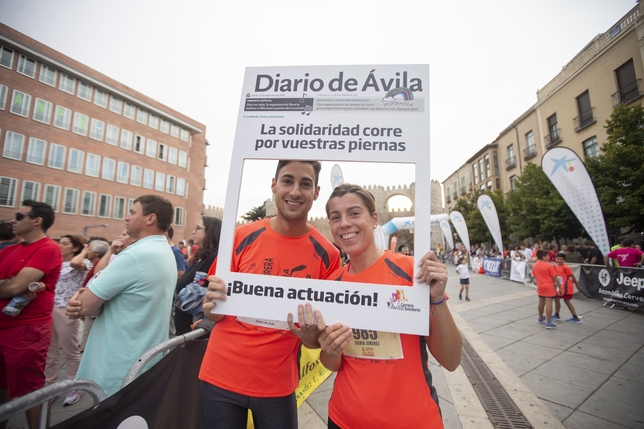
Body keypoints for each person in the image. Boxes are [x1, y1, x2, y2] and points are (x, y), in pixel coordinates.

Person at [201, 160, 341, 429]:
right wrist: (209, 306)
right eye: (287, 181)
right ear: (274, 185)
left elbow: (316, 341)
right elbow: (213, 312)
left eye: (305, 184)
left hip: (277, 385)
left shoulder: (329, 256)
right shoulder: (240, 236)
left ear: (317, 192)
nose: (295, 191)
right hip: (220, 377)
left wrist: (312, 336)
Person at [317, 184, 462, 429]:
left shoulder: (412, 272)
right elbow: (333, 363)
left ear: (374, 219)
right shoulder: (333, 285)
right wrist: (329, 350)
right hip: (344, 420)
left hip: (413, 421)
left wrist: (436, 298)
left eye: (354, 213)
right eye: (335, 217)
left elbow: (451, 360)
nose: (344, 223)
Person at [65, 195, 176, 397]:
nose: (126, 217)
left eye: (133, 212)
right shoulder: (162, 250)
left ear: (150, 218)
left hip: (119, 364)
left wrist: (81, 298)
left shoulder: (135, 255)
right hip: (142, 359)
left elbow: (85, 305)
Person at [0, 201, 62, 429]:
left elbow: (16, 287)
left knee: (30, 391)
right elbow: (14, 285)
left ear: (37, 221)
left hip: (26, 330)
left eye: (19, 215)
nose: (13, 220)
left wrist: (14, 285)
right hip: (5, 326)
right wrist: (12, 285)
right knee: (2, 389)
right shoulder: (9, 250)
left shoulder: (48, 248)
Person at [44, 235, 90, 406]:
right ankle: (50, 386)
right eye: (60, 243)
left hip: (66, 309)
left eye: (65, 244)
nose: (60, 246)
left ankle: (74, 384)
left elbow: (75, 264)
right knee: (50, 352)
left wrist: (85, 250)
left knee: (70, 351)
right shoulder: (55, 263)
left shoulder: (83, 263)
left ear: (75, 248)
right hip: (48, 308)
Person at [174, 216, 222, 335]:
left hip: (195, 329)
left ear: (210, 231)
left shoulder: (215, 257)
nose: (193, 232)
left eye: (198, 228)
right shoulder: (200, 256)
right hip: (184, 324)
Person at [532, 249, 562, 330]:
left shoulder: (535, 265)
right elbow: (554, 278)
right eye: (547, 255)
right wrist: (560, 287)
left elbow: (534, 275)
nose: (549, 257)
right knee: (549, 303)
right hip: (549, 286)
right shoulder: (549, 266)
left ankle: (540, 317)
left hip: (540, 286)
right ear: (543, 257)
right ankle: (549, 322)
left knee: (541, 302)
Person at [552, 253, 582, 324]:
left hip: (566, 287)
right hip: (561, 287)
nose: (559, 260)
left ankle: (559, 315)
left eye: (561, 259)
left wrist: (577, 285)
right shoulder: (555, 266)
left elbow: (572, 276)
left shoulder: (566, 267)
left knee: (562, 300)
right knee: (561, 300)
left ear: (564, 260)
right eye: (558, 259)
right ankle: (559, 315)